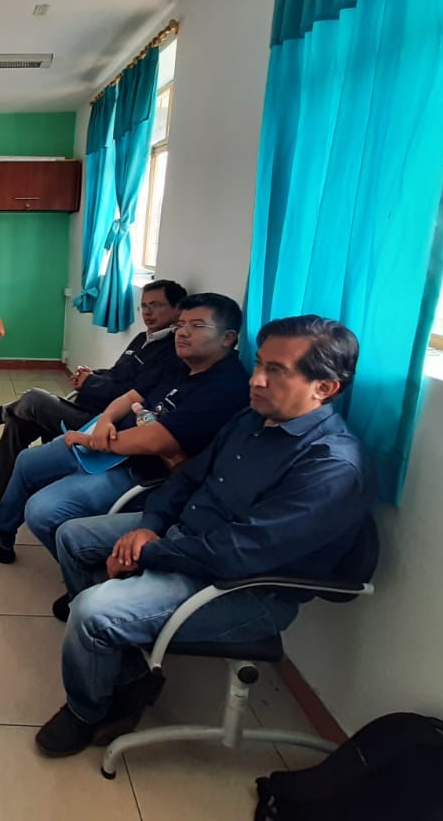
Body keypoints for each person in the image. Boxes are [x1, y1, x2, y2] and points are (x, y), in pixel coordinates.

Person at [35, 315, 376, 757]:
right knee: (71, 536)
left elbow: (239, 553)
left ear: (325, 387)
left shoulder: (330, 467)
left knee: (91, 611)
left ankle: (86, 711)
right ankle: (125, 664)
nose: (255, 379)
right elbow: (187, 478)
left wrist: (149, 553)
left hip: (242, 588)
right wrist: (148, 526)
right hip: (185, 540)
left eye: (276, 371)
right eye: (259, 364)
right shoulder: (251, 420)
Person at [0, 293, 249, 565]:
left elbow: (155, 441)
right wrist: (105, 420)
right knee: (28, 460)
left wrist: (93, 439)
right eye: (182, 325)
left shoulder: (223, 387)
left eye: (197, 326)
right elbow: (131, 396)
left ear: (228, 337)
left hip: (138, 471)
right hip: (107, 437)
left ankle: (88, 576)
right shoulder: (179, 363)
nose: (183, 332)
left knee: (42, 510)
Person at [0, 280, 187, 515]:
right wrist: (92, 374)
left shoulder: (173, 352)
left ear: (177, 309)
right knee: (19, 421)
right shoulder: (142, 338)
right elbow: (116, 374)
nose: (148, 313)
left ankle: (0, 413)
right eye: (144, 306)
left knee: (34, 398)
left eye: (156, 305)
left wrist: (90, 383)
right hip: (86, 407)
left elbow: (132, 395)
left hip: (102, 425)